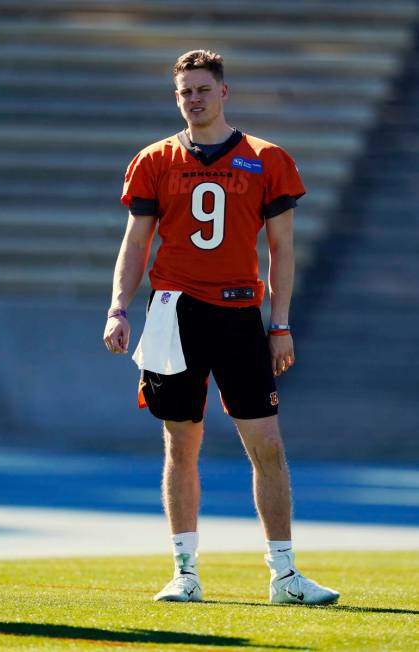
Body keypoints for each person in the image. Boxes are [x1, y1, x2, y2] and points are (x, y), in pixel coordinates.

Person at [103, 49, 339, 606]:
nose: (194, 99)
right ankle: (185, 572)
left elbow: (282, 249)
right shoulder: (155, 159)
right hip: (174, 312)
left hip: (238, 313)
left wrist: (279, 324)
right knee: (179, 442)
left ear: (224, 92)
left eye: (203, 89)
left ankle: (284, 576)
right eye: (185, 91)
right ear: (176, 97)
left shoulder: (267, 158)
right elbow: (136, 241)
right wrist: (118, 307)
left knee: (268, 445)